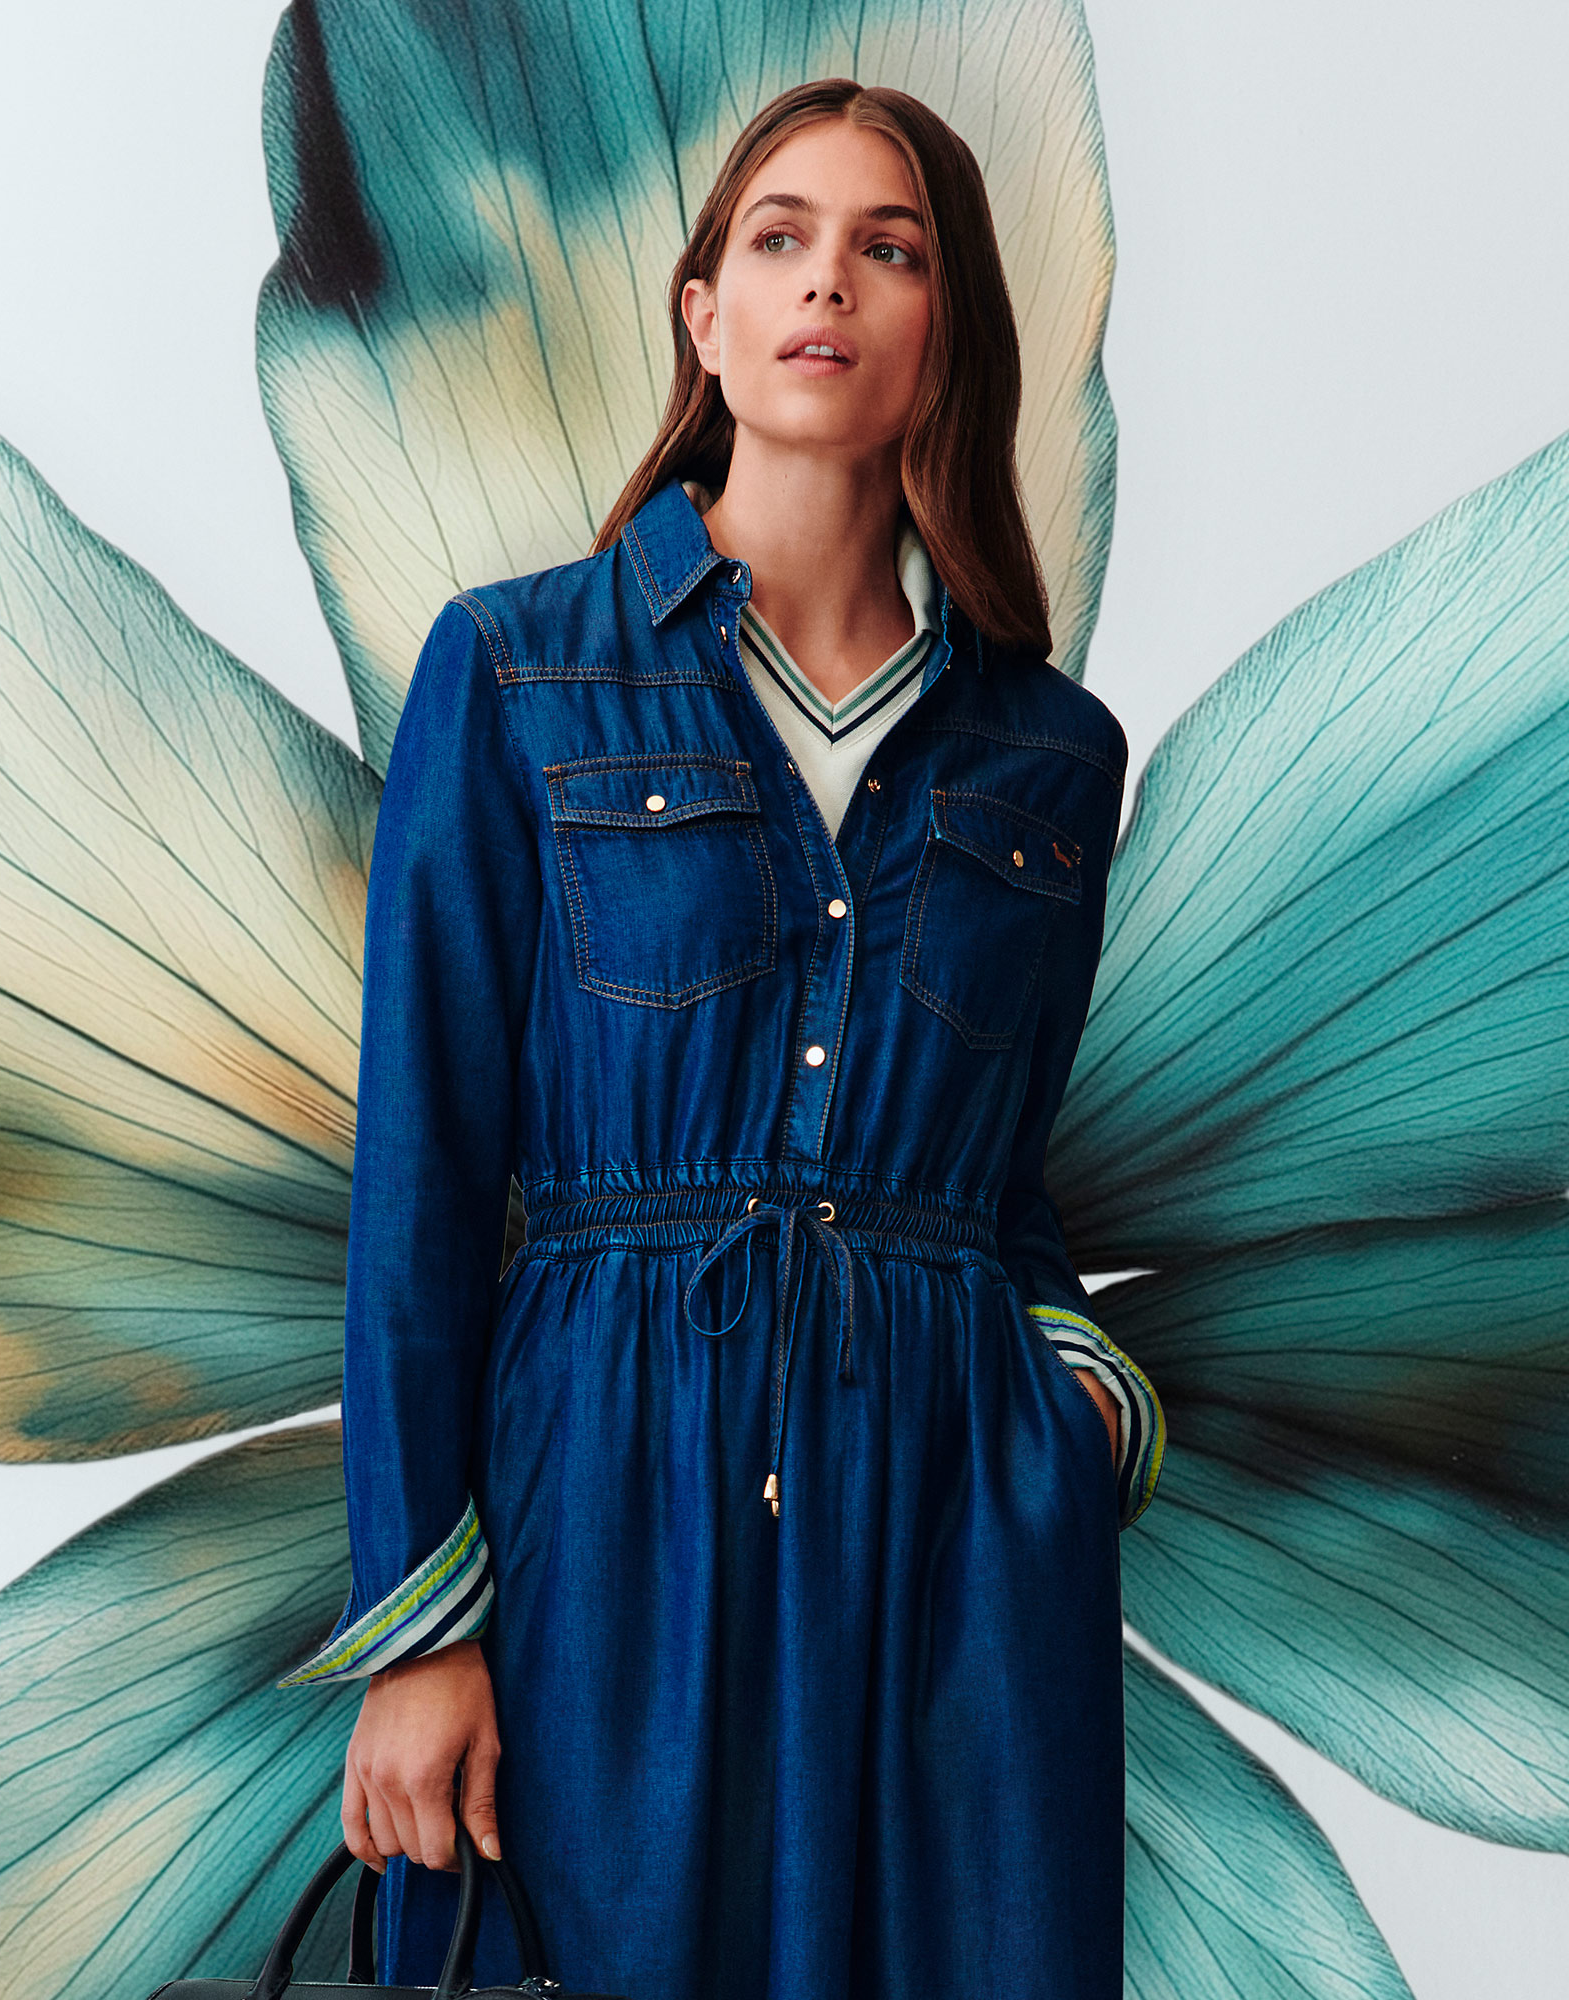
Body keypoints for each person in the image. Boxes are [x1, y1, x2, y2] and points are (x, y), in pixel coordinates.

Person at [281, 74, 1164, 2000]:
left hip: (960, 1529)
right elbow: (422, 1175)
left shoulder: (1050, 759)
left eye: (890, 248)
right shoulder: (518, 671)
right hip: (604, 1488)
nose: (827, 284)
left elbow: (1008, 1187)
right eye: (779, 239)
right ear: (704, 314)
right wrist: (420, 1629)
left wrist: (1079, 1409)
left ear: (946, 331)